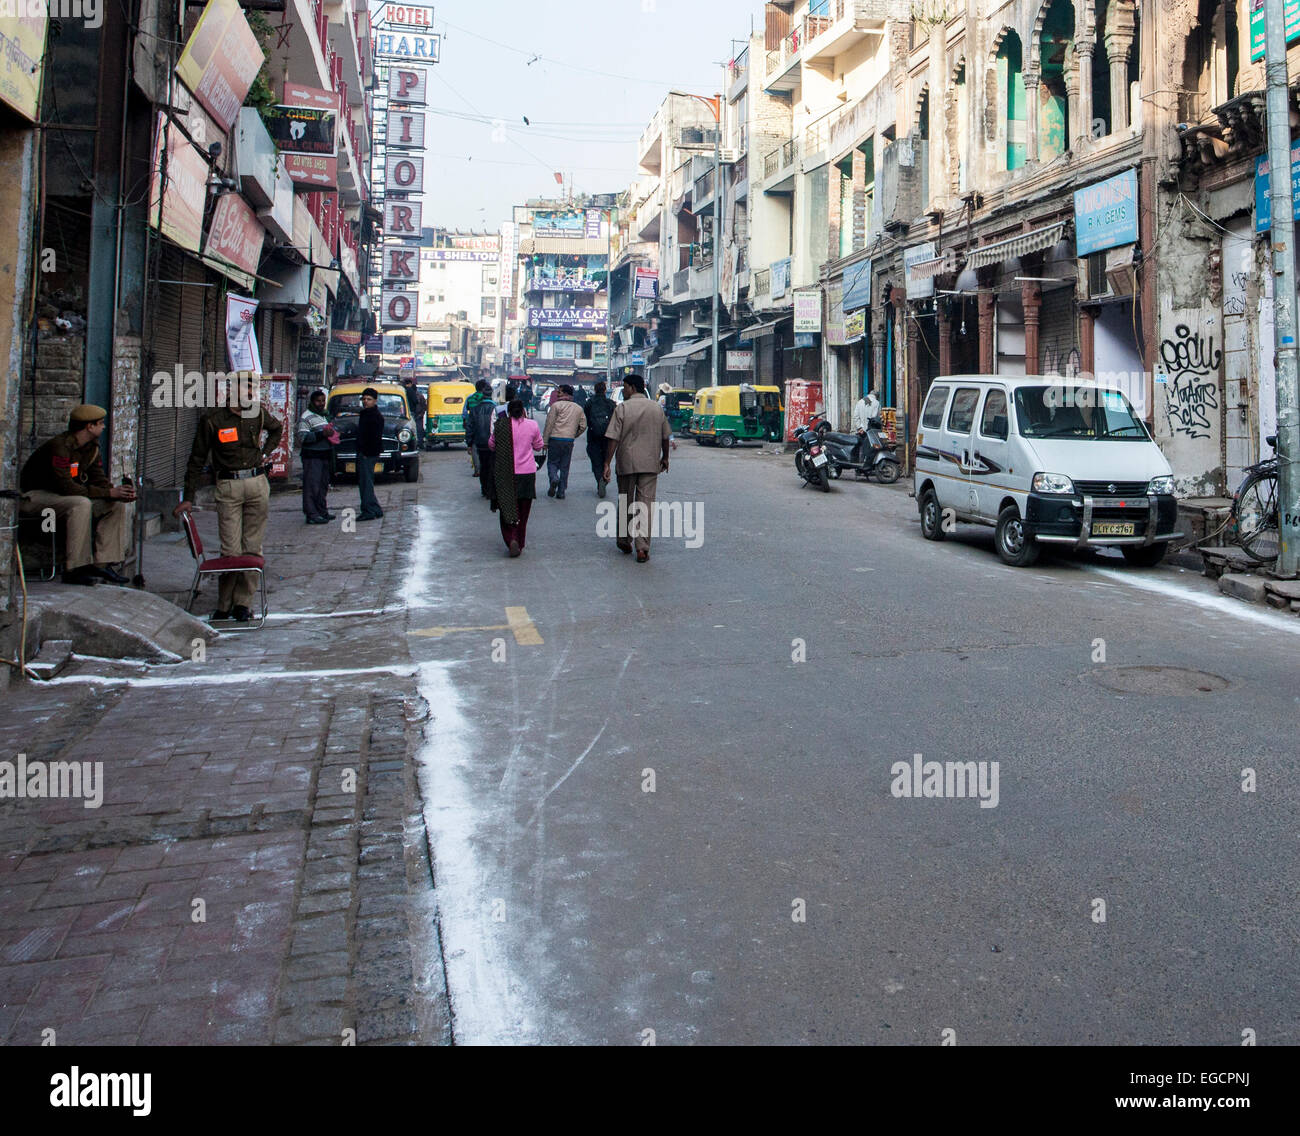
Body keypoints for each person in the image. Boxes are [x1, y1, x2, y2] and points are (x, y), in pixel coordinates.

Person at [174, 382, 282, 622]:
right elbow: (196, 458)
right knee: (231, 550)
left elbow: (277, 428)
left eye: (253, 393)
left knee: (252, 547)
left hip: (256, 481)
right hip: (228, 484)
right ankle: (224, 604)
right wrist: (188, 497)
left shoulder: (258, 413)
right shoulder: (213, 420)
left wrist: (265, 452)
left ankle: (243, 603)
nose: (251, 397)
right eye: (247, 392)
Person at [19, 404, 136, 586]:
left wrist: (118, 493)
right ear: (89, 426)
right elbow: (66, 487)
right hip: (34, 496)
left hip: (62, 497)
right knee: (81, 503)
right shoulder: (60, 447)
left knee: (115, 505)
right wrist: (108, 492)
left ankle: (102, 564)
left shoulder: (91, 448)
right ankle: (75, 568)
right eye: (100, 423)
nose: (103, 427)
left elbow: (98, 479)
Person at [602, 373, 671, 563]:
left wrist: (607, 462)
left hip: (626, 462)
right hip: (650, 462)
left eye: (624, 387)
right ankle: (642, 548)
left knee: (626, 500)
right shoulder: (656, 408)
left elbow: (613, 438)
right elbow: (665, 436)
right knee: (646, 505)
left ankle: (625, 540)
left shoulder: (622, 408)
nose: (623, 391)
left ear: (632, 388)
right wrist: (665, 457)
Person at [488, 395, 543, 557]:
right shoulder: (532, 425)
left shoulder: (501, 425)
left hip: (506, 475)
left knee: (507, 509)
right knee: (523, 512)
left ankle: (511, 538)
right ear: (524, 411)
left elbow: (491, 445)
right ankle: (519, 540)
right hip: (526, 474)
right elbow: (539, 446)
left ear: (509, 412)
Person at [298, 390, 337, 525]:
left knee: (322, 486)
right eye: (318, 401)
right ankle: (311, 514)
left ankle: (322, 511)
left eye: (323, 401)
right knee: (311, 486)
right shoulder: (306, 417)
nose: (321, 404)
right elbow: (303, 437)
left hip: (325, 455)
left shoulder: (325, 416)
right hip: (312, 457)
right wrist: (321, 434)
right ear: (313, 402)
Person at [542, 383, 585, 500]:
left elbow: (549, 424)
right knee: (565, 466)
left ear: (565, 393)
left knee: (552, 463)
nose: (557, 394)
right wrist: (574, 435)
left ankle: (554, 478)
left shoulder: (556, 406)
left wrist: (545, 442)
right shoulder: (578, 408)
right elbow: (583, 426)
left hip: (555, 439)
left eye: (559, 392)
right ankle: (561, 491)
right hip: (569, 440)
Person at [356, 387, 385, 522]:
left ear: (375, 401)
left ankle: (368, 510)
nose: (366, 401)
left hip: (369, 453)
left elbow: (373, 437)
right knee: (366, 482)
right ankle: (375, 508)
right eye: (364, 399)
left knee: (366, 483)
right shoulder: (366, 413)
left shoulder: (374, 416)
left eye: (369, 399)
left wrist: (367, 452)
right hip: (365, 452)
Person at [584, 380, 617, 498]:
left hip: (593, 435)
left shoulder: (589, 403)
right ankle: (604, 477)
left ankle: (599, 479)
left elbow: (586, 418)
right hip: (608, 436)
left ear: (594, 390)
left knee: (595, 459)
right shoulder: (611, 403)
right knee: (606, 459)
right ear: (604, 390)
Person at [463, 379, 494, 486]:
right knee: (489, 463)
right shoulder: (496, 408)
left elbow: (468, 422)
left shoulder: (472, 404)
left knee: (478, 456)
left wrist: (469, 442)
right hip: (491, 439)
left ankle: (478, 471)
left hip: (477, 436)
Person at [852, 388, 882, 462]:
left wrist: (859, 428)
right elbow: (877, 417)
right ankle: (868, 465)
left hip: (862, 431)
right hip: (871, 431)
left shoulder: (860, 402)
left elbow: (855, 417)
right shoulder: (877, 403)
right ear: (876, 396)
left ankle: (859, 467)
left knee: (861, 448)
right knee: (871, 448)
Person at [402, 376, 427, 448]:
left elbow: (423, 405)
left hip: (417, 414)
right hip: (411, 414)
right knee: (412, 429)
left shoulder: (419, 395)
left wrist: (421, 413)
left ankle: (419, 443)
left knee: (418, 429)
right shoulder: (407, 392)